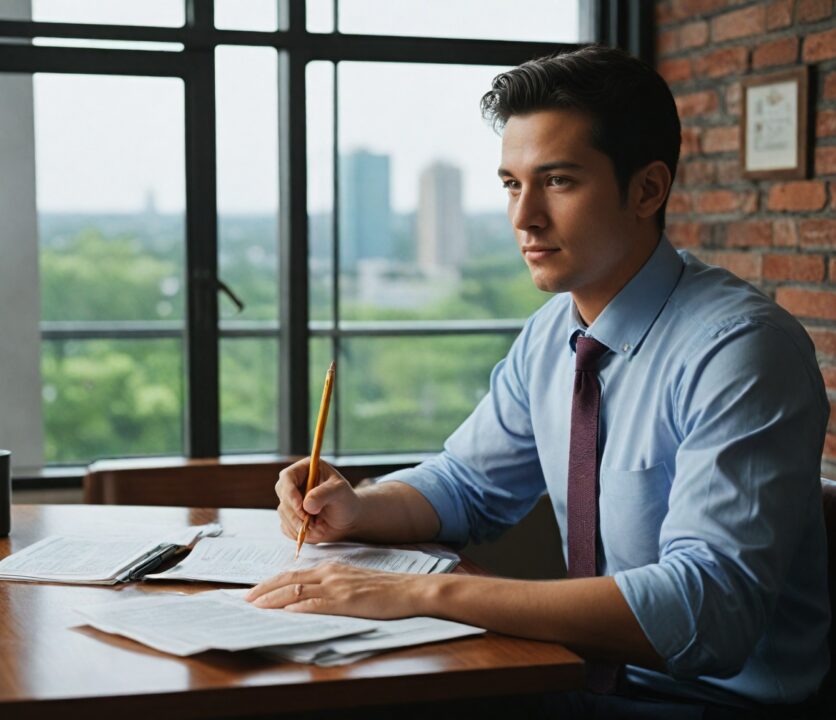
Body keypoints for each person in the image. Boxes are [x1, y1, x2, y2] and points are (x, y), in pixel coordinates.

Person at [246, 45, 830, 717]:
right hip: (579, 680)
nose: (524, 218)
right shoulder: (555, 334)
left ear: (648, 189)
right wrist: (359, 508)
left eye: (557, 181)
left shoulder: (743, 351)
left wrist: (423, 593)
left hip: (711, 705)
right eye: (511, 184)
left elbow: (706, 612)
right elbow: (467, 484)